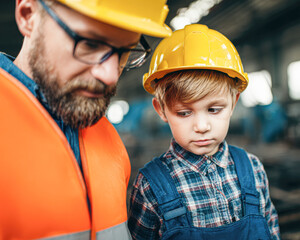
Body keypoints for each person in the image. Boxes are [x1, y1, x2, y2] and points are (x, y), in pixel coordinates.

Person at [0, 0, 171, 239]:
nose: (110, 75)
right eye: (90, 44)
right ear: (28, 16)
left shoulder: (109, 141)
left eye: (125, 51)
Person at [128, 24, 280, 240]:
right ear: (161, 110)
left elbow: (271, 229)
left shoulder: (253, 169)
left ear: (233, 102)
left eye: (214, 110)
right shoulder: (149, 186)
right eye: (184, 113)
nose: (201, 126)